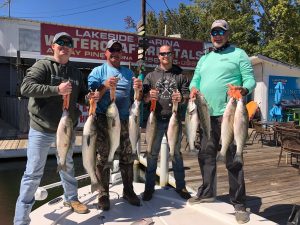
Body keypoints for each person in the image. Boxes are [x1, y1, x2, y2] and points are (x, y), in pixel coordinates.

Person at [14, 32, 99, 225]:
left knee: (67, 165)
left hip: (66, 128)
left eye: (68, 43)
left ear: (72, 49)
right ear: (52, 46)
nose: (65, 45)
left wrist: (89, 98)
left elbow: (81, 96)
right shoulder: (43, 65)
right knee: (33, 173)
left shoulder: (76, 72)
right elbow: (25, 88)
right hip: (41, 128)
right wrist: (56, 90)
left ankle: (72, 198)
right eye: (60, 42)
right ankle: (21, 219)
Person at [188, 20, 256, 224]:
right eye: (213, 32)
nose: (217, 36)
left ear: (228, 34)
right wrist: (193, 88)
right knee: (205, 155)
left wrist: (243, 89)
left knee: (233, 159)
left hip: (231, 114)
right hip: (206, 114)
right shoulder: (205, 58)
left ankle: (239, 202)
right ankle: (207, 192)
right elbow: (196, 79)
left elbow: (250, 79)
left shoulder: (239, 54)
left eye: (221, 32)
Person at [88, 39, 143, 210]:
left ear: (122, 53)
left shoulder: (128, 73)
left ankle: (128, 190)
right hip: (104, 120)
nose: (115, 53)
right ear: (106, 52)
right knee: (103, 157)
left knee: (128, 156)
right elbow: (91, 95)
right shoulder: (98, 71)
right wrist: (104, 86)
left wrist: (139, 89)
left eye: (118, 50)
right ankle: (103, 194)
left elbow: (137, 98)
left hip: (125, 121)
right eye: (112, 50)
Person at [142, 45, 191, 201]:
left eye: (168, 53)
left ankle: (181, 186)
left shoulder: (181, 75)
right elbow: (142, 98)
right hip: (155, 120)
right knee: (151, 154)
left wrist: (182, 98)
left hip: (174, 119)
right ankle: (149, 188)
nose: (165, 56)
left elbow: (187, 95)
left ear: (172, 55)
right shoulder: (150, 76)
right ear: (158, 56)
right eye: (162, 53)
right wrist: (148, 96)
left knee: (176, 154)